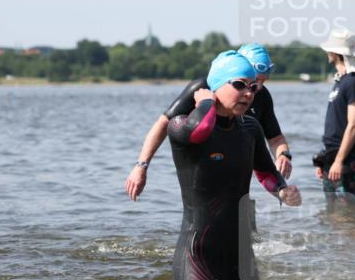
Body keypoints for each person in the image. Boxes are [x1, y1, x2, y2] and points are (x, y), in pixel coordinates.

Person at [168, 51, 301, 280]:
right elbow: (201, 129)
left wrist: (282, 191)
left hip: (240, 254)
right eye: (239, 85)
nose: (249, 93)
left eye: (253, 87)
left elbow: (265, 171)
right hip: (198, 254)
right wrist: (206, 102)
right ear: (215, 86)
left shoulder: (250, 128)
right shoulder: (179, 126)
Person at [125, 43, 292, 201]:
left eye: (261, 82)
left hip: (236, 162)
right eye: (253, 80)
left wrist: (283, 155)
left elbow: (275, 137)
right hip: (203, 165)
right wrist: (142, 165)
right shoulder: (203, 88)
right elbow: (163, 124)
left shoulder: (260, 95)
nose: (258, 88)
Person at [315, 28, 355, 209]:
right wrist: (324, 161)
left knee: (348, 215)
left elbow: (353, 125)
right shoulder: (340, 81)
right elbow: (335, 125)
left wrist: (338, 161)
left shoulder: (354, 82)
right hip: (332, 155)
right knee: (332, 213)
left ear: (336, 53)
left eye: (330, 49)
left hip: (347, 158)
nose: (327, 52)